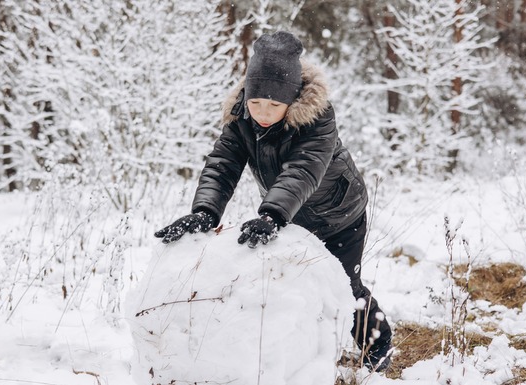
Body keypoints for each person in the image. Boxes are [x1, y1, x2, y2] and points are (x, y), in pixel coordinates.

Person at [154, 31, 393, 372]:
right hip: (289, 216)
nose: (263, 114)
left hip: (339, 213)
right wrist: (205, 211)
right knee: (294, 285)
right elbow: (222, 165)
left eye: (274, 106)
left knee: (345, 285)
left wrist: (272, 214)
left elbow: (303, 170)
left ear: (292, 100)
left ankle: (378, 346)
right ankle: (307, 356)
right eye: (256, 103)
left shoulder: (318, 118)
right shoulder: (241, 118)